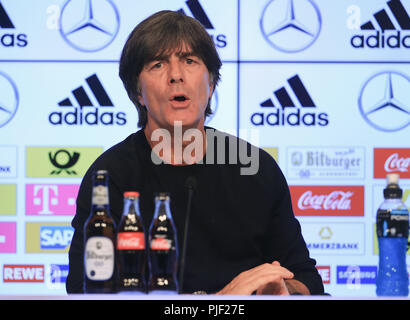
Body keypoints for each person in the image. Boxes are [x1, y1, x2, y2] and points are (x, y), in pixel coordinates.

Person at [66, 10, 324, 295]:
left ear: (211, 84)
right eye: (158, 65)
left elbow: (306, 279)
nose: (176, 75)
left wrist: (282, 289)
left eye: (189, 61)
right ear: (137, 92)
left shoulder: (255, 167)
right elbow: (84, 289)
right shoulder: (110, 176)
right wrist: (219, 302)